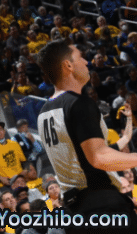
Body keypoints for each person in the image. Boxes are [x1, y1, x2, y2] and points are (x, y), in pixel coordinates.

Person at [36, 40, 137, 232]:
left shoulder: (43, 112)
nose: (86, 62)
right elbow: (99, 158)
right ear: (68, 65)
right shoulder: (78, 103)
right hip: (102, 205)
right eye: (80, 57)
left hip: (74, 211)